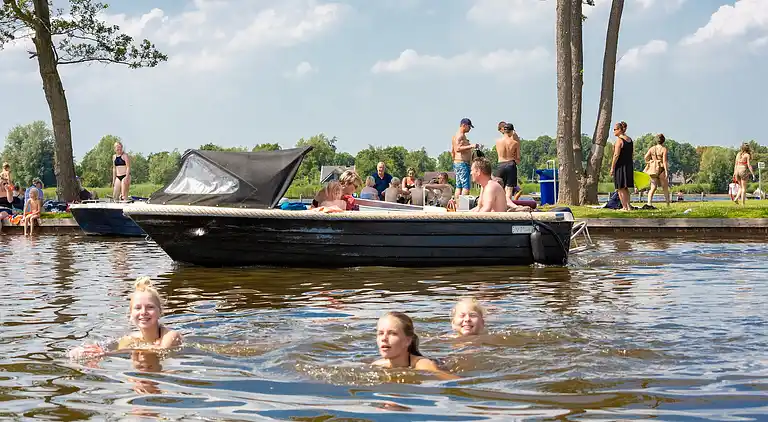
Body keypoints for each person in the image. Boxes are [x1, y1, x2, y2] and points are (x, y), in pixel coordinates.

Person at [68, 277, 183, 359]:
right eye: (138, 308)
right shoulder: (130, 339)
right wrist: (86, 352)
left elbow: (160, 351)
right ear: (131, 314)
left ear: (160, 312)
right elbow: (108, 347)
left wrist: (107, 354)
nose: (143, 312)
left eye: (150, 307)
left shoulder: (170, 336)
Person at [373, 312, 458, 379]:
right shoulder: (377, 365)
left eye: (392, 333)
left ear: (407, 341)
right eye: (380, 333)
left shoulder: (423, 365)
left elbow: (456, 381)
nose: (383, 338)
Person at [452, 118, 479, 200]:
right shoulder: (460, 135)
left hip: (458, 163)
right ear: (464, 125)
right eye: (469, 127)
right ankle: (463, 207)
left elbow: (452, 151)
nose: (470, 129)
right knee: (465, 186)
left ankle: (458, 205)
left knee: (458, 186)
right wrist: (471, 146)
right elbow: (457, 149)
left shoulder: (456, 136)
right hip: (462, 163)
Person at [610, 121, 634, 211]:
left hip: (620, 166)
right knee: (625, 187)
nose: (614, 131)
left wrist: (612, 167)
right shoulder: (630, 140)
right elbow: (632, 154)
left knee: (620, 187)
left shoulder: (619, 140)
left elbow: (616, 155)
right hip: (628, 165)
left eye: (615, 129)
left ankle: (624, 207)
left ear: (620, 130)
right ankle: (628, 206)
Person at [495, 122, 521, 202]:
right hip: (510, 164)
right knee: (509, 189)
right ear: (512, 131)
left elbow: (499, 154)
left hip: (500, 164)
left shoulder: (498, 141)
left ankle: (500, 206)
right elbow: (518, 158)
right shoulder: (515, 143)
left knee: (499, 188)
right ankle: (508, 207)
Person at [643, 133, 670, 207]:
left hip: (653, 170)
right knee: (665, 188)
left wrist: (650, 162)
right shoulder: (664, 149)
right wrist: (666, 171)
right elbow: (664, 161)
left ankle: (649, 203)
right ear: (663, 141)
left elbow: (645, 157)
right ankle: (667, 204)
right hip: (661, 169)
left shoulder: (652, 148)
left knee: (653, 188)